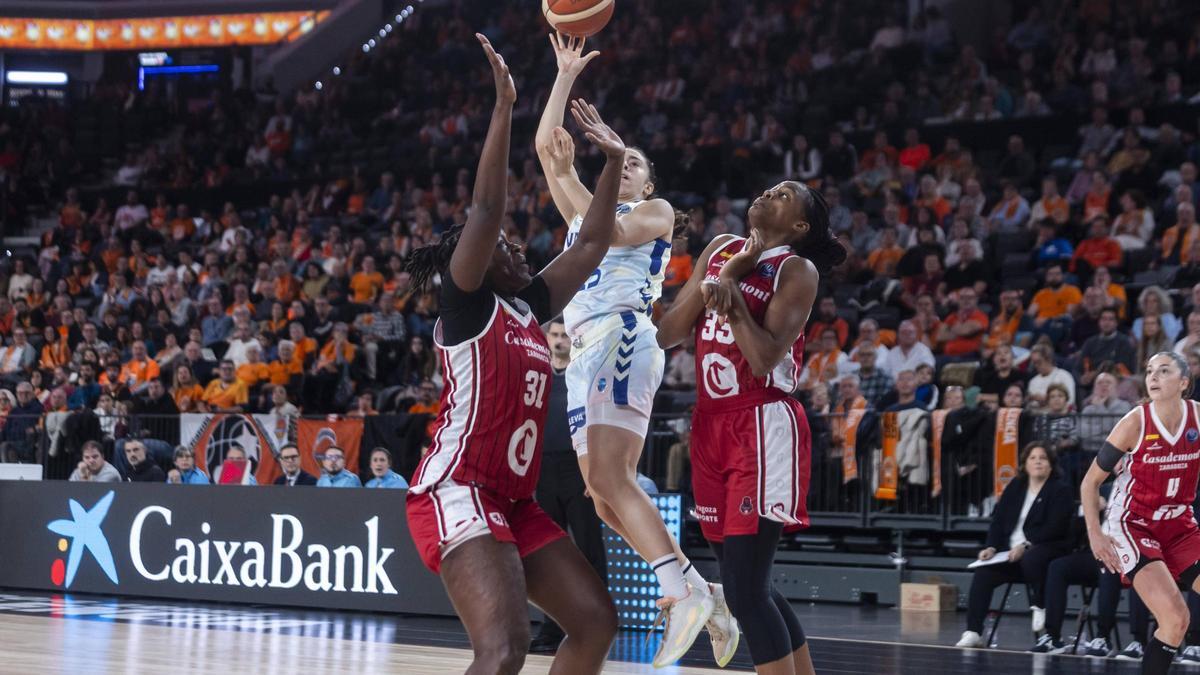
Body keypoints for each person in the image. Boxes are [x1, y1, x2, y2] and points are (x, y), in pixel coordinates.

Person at [404, 36, 618, 675]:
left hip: (513, 500)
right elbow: (487, 206)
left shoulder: (528, 306)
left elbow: (595, 243)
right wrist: (504, 106)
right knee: (502, 653)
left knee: (595, 623)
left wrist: (609, 163)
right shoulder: (466, 301)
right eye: (506, 245)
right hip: (459, 487)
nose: (519, 248)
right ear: (473, 255)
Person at [533, 31, 719, 667]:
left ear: (646, 179)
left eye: (636, 161)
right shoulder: (581, 211)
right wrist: (562, 76)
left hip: (621, 336)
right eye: (624, 160)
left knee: (613, 476)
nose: (629, 163)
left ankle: (677, 592)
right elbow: (549, 154)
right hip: (583, 348)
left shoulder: (655, 212)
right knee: (600, 495)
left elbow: (607, 232)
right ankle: (697, 587)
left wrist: (611, 162)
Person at [657, 179, 843, 675]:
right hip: (710, 423)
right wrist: (723, 273)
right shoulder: (721, 249)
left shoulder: (796, 269)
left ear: (799, 226)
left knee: (743, 589)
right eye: (769, 189)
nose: (767, 194)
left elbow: (762, 359)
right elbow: (669, 331)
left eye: (784, 195)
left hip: (760, 421)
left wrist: (733, 292)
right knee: (746, 585)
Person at [1083, 351, 1200, 674]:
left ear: (1184, 382)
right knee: (1176, 618)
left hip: (1180, 524)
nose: (1153, 377)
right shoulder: (1135, 422)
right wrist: (1095, 533)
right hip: (1134, 525)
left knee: (1176, 624)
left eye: (1164, 371)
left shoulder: (1198, 417)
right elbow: (1090, 482)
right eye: (1150, 371)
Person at [530, 318, 608, 653]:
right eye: (555, 335)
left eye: (564, 335)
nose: (559, 340)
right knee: (549, 553)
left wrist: (596, 472)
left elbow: (600, 421)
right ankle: (550, 630)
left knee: (590, 550)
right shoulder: (537, 375)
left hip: (580, 468)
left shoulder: (583, 372)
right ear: (547, 338)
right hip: (543, 470)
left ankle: (600, 624)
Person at [956, 443, 1073, 648]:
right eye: (1032, 458)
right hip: (1009, 556)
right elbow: (998, 521)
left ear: (1051, 465)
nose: (1037, 461)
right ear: (1024, 464)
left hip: (1043, 552)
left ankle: (1039, 605)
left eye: (1043, 458)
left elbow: (1056, 527)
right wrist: (991, 547)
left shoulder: (1060, 490)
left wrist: (1026, 545)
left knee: (1032, 557)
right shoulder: (1016, 486)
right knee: (983, 573)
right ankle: (973, 631)